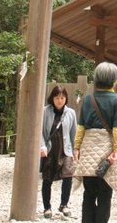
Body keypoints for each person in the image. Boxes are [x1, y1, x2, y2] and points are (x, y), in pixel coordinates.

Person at [73, 61, 117, 223]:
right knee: (105, 194)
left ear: (97, 78)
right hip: (106, 149)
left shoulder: (89, 99)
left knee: (88, 193)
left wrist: (77, 147)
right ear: (114, 80)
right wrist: (116, 151)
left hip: (88, 149)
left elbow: (81, 126)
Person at [40, 85, 77, 219]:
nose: (59, 100)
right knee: (47, 178)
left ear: (66, 98)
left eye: (62, 97)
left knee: (68, 177)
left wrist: (75, 151)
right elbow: (40, 132)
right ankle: (47, 207)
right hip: (50, 150)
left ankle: (64, 204)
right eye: (57, 98)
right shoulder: (45, 111)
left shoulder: (71, 113)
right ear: (52, 98)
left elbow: (74, 134)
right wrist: (42, 146)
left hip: (66, 150)